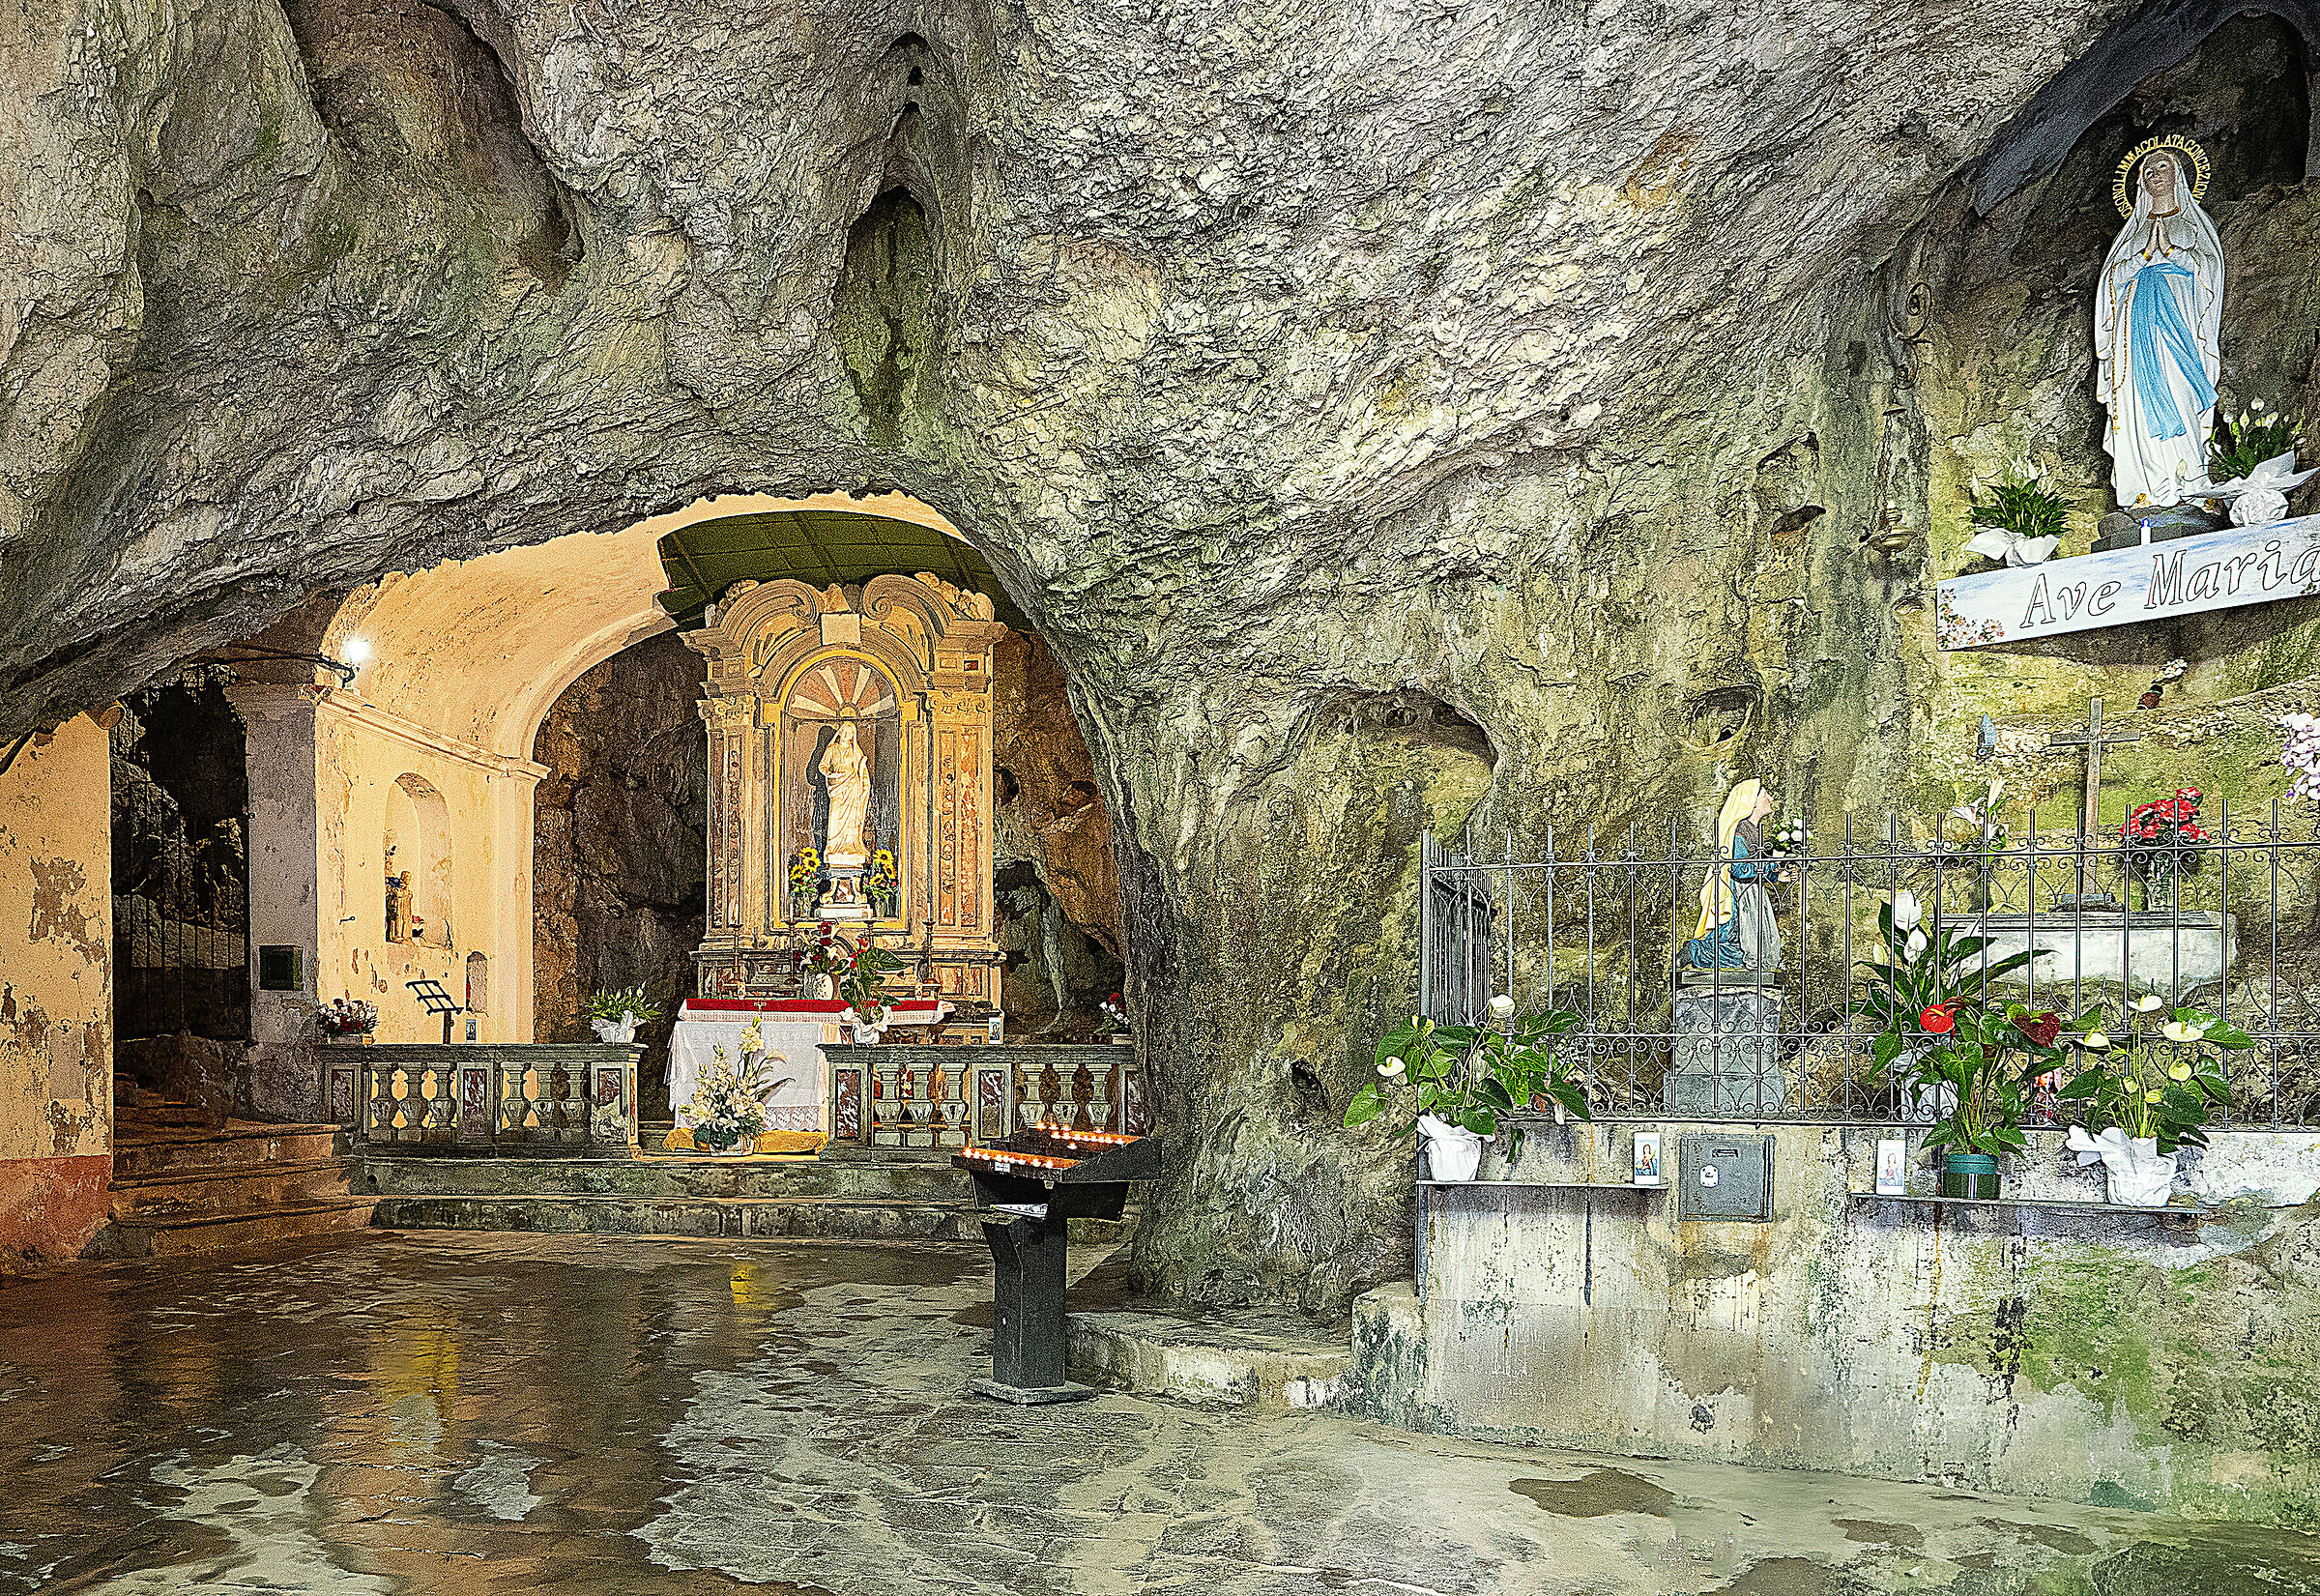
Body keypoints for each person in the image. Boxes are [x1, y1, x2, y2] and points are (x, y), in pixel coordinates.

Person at [2095, 140, 2224, 508]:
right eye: (2146, 171)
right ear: (2139, 183)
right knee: (2135, 398)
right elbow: (2111, 279)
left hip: (2180, 323)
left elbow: (2210, 271)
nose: (2153, 174)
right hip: (2135, 330)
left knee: (2180, 390)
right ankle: (2146, 486)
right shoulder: (2132, 233)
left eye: (2161, 167)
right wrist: (2143, 258)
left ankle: (2189, 482)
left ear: (2178, 175)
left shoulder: (2192, 225)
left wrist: (2171, 253)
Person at [1680, 779, 1787, 971]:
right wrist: (1773, 861)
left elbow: (1752, 864)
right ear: (1752, 802)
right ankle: (1695, 951)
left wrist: (1774, 876)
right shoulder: (1740, 830)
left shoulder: (1751, 830)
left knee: (1752, 948)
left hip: (1750, 893)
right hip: (1738, 895)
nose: (1770, 798)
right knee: (1742, 948)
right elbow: (1739, 868)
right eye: (1764, 795)